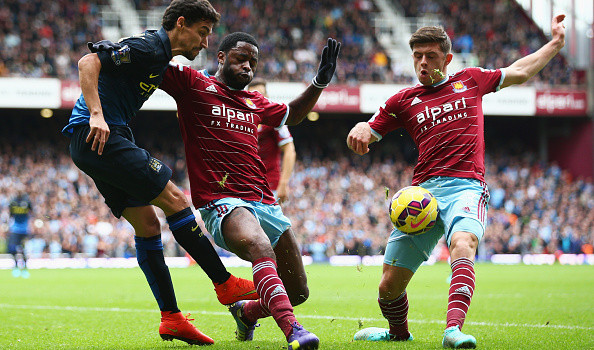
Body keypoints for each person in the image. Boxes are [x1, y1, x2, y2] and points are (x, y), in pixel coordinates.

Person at [347, 15, 566, 349]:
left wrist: (555, 44)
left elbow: (520, 71)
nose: (422, 62)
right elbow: (372, 129)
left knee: (463, 243)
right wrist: (362, 128)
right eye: (417, 55)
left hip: (466, 186)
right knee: (387, 287)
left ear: (447, 59)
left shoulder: (472, 80)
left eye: (430, 56)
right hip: (420, 196)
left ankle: (453, 331)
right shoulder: (402, 101)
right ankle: (397, 333)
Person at [61, 0, 257, 345]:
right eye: (203, 32)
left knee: (148, 224)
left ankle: (172, 318)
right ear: (180, 24)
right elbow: (88, 61)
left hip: (97, 141)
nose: (206, 42)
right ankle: (224, 283)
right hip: (98, 134)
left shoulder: (160, 57)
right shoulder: (150, 46)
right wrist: (96, 114)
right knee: (176, 199)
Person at [159, 32, 340, 350]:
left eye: (253, 62)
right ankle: (293, 332)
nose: (247, 66)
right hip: (221, 200)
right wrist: (124, 51)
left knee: (297, 291)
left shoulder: (255, 102)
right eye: (241, 58)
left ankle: (246, 311)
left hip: (264, 201)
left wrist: (319, 83)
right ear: (221, 57)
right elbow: (155, 64)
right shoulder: (194, 84)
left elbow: (293, 115)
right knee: (259, 246)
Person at [248, 78, 297, 204]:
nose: (256, 98)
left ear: (266, 97)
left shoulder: (275, 119)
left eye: (260, 95)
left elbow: (290, 150)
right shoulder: (243, 120)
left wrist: (284, 183)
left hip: (270, 187)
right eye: (252, 95)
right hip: (247, 187)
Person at [7, 190, 32, 279]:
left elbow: (31, 212)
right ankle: (16, 266)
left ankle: (25, 268)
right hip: (15, 229)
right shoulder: (13, 203)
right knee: (13, 249)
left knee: (24, 250)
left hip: (24, 230)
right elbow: (10, 215)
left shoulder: (27, 202)